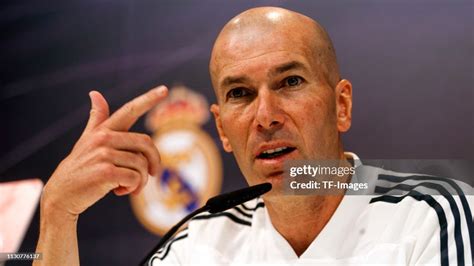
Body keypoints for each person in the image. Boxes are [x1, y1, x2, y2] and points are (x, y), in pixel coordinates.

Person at [34, 7, 473, 266]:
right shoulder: (197, 247)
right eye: (240, 93)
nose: (265, 116)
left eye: (290, 82)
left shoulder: (433, 217)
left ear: (341, 106)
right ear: (222, 129)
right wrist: (57, 214)